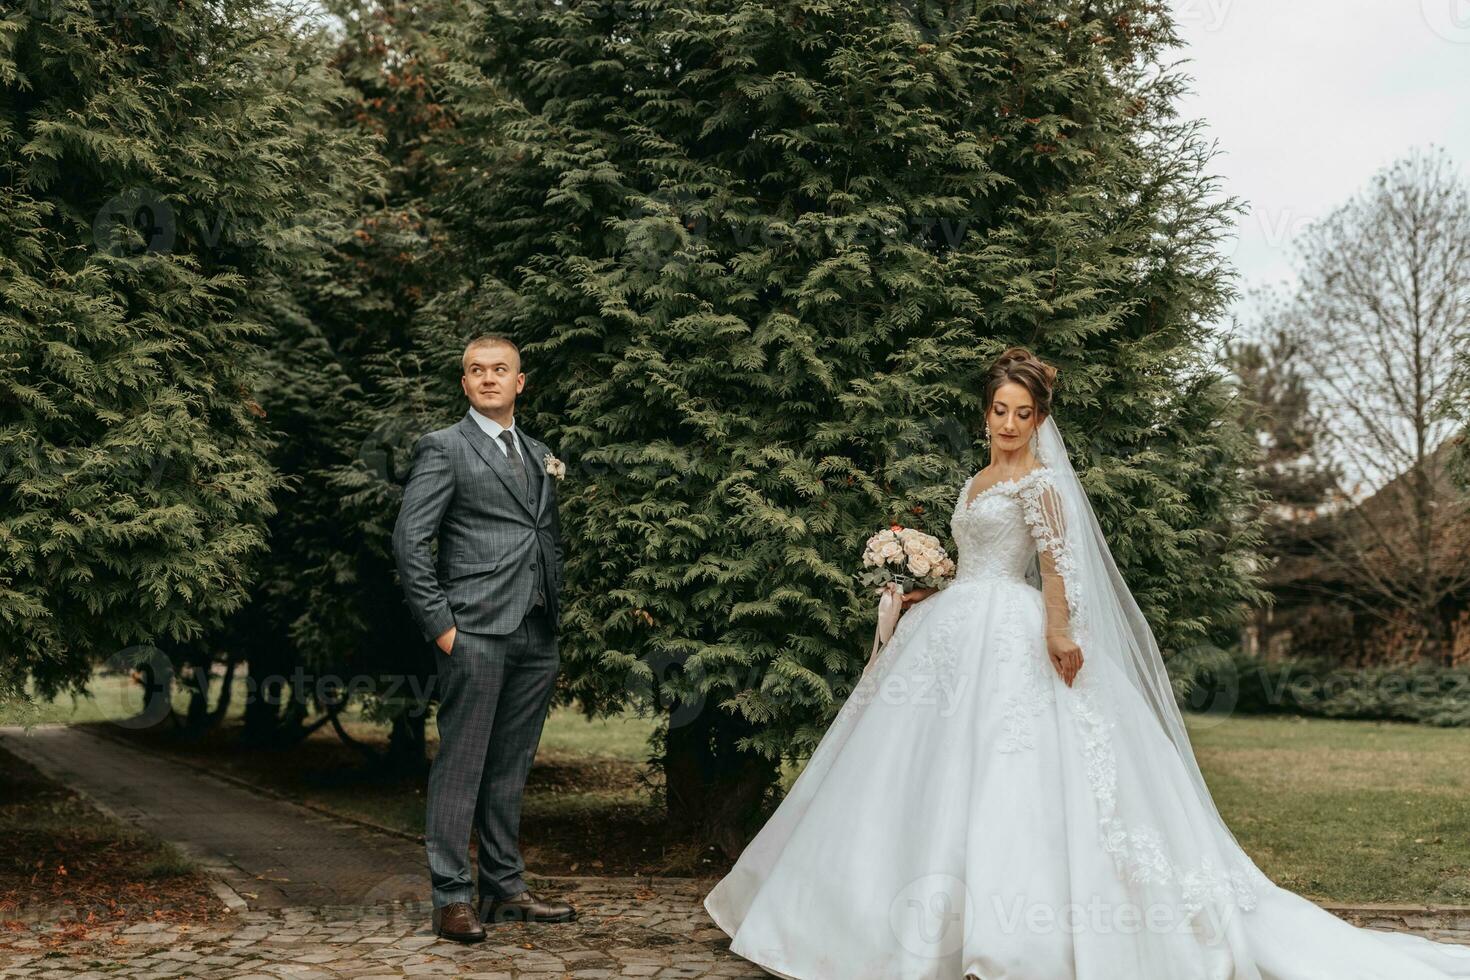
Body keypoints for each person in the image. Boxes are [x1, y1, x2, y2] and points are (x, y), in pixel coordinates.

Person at [702, 347, 1470, 978]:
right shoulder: (976, 481)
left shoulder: (1042, 484)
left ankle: (1006, 937)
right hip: (956, 623)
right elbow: (974, 564)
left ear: (1040, 418)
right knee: (913, 771)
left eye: (1022, 413)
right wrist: (921, 596)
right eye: (998, 410)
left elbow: (1056, 563)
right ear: (986, 412)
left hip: (1016, 628)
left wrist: (1060, 633)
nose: (1008, 423)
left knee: (1015, 768)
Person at [392, 334, 575, 943]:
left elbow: (541, 536)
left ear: (520, 382)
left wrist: (552, 612)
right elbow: (410, 543)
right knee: (463, 765)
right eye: (477, 370)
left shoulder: (540, 452)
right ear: (465, 383)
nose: (489, 378)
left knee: (510, 768)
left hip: (535, 634)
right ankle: (451, 898)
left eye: (501, 370)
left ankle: (504, 889)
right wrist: (443, 628)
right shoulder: (443, 448)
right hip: (473, 631)